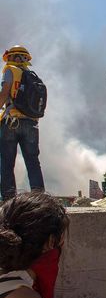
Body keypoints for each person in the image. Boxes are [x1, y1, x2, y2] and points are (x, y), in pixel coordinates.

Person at [0, 45, 45, 201]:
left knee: (7, 162)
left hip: (11, 122)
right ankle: (39, 198)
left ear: (11, 57)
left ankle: (8, 200)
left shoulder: (10, 70)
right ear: (26, 59)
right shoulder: (32, 75)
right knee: (33, 162)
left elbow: (5, 91)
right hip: (31, 124)